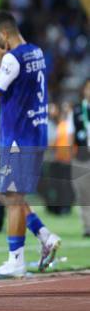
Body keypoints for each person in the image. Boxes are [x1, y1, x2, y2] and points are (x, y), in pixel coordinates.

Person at [0, 10, 60, 278]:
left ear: (4, 35)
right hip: (34, 132)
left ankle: (16, 261)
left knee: (12, 196)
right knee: (4, 192)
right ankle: (44, 234)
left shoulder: (11, 59)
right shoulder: (36, 52)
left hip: (19, 136)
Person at [71, 78, 90, 237]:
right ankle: (87, 227)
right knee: (83, 194)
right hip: (82, 157)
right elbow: (71, 136)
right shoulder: (77, 110)